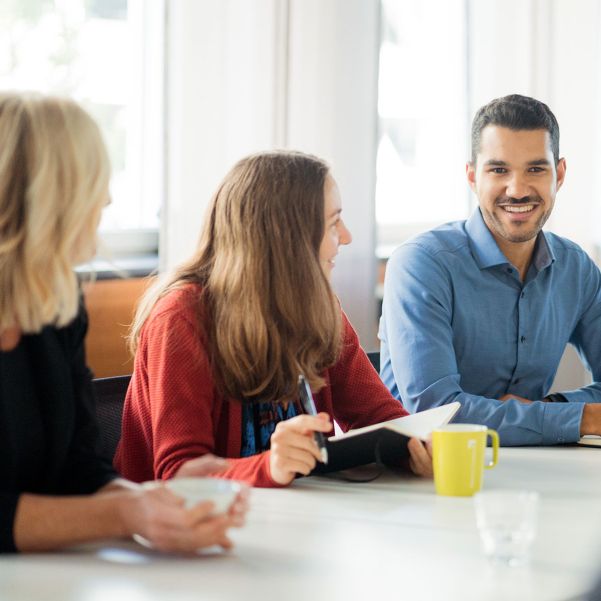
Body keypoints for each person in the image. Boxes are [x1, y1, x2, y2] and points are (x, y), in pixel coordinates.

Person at [0, 92, 246, 554]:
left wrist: (155, 500)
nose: (107, 197)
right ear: (43, 195)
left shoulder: (56, 301)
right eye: (93, 181)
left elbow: (80, 465)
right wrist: (128, 512)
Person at [114, 150, 433, 487]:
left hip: (289, 517)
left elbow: (379, 417)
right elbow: (179, 471)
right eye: (332, 223)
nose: (347, 236)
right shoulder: (181, 318)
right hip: (180, 528)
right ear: (286, 237)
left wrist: (416, 449)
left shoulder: (318, 303)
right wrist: (269, 467)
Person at [379, 94, 601, 446]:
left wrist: (554, 406)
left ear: (559, 175)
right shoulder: (422, 264)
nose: (517, 189)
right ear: (472, 176)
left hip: (536, 473)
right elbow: (436, 412)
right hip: (421, 481)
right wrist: (583, 416)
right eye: (499, 170)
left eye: (535, 169)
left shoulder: (577, 269)